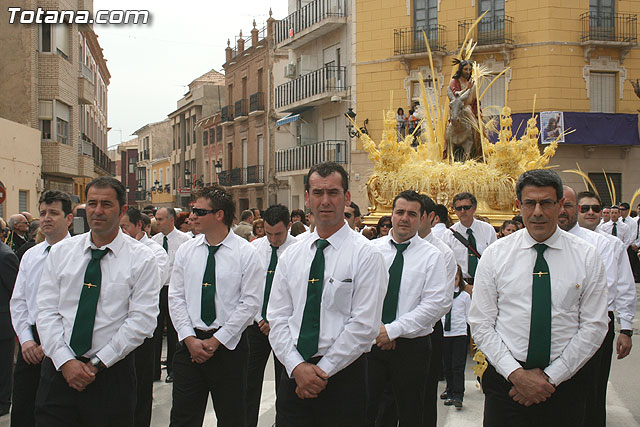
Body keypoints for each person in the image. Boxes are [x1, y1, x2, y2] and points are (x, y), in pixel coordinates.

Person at [469, 169, 608, 426]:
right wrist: (517, 375)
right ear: (519, 205)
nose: (538, 212)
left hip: (565, 384)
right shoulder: (495, 255)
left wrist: (552, 377)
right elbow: (481, 323)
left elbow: (595, 325)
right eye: (530, 203)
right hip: (506, 383)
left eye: (546, 203)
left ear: (560, 206)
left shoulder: (587, 256)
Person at [268, 162, 388, 427]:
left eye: (333, 193)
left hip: (343, 377)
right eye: (318, 193)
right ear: (308, 198)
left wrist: (321, 372)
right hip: (294, 373)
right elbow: (277, 317)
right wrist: (297, 368)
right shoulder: (292, 255)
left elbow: (364, 325)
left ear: (346, 198)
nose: (325, 201)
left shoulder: (366, 255)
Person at [36, 176, 160, 426]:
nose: (97, 211)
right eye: (92, 203)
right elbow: (46, 310)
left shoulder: (142, 259)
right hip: (59, 371)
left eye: (106, 204)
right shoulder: (62, 252)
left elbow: (142, 321)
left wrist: (95, 364)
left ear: (122, 210)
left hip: (110, 373)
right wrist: (66, 362)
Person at [168, 185, 264, 426]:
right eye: (192, 211)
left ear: (219, 215)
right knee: (183, 416)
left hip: (228, 349)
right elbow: (176, 296)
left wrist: (217, 340)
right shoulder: (186, 251)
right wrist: (189, 338)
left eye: (199, 212)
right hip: (190, 347)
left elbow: (249, 303)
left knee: (232, 416)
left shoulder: (246, 253)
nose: (192, 217)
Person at [367, 190, 449, 427]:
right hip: (371, 343)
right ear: (391, 215)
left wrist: (393, 330)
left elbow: (435, 304)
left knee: (413, 413)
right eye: (399, 212)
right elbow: (360, 296)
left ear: (422, 218)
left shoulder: (432, 256)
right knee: (369, 411)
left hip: (412, 348)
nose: (404, 218)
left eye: (412, 214)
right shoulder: (371, 250)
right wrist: (378, 330)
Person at [9, 191, 73, 426]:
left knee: (55, 412)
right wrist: (26, 340)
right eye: (43, 213)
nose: (46, 218)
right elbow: (19, 301)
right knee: (24, 409)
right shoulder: (30, 255)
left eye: (54, 213)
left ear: (68, 218)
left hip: (65, 342)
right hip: (32, 343)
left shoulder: (79, 255)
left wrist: (51, 344)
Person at [574, 190, 636, 426]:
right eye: (584, 208)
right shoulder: (560, 240)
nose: (591, 212)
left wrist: (626, 328)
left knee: (595, 384)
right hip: (567, 320)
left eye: (596, 209)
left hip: (600, 321)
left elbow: (623, 286)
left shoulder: (612, 245)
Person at [246, 204, 297, 427]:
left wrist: (275, 321)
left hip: (286, 327)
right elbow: (248, 288)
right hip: (256, 325)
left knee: (285, 384)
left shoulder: (300, 250)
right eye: (268, 234)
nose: (273, 239)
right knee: (248, 382)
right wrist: (260, 318)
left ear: (289, 226)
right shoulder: (254, 249)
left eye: (278, 234)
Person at [119, 207, 169, 427]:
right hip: (116, 329)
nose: (121, 232)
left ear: (139, 226)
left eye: (124, 227)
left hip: (140, 328)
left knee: (140, 386)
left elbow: (151, 285)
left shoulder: (154, 252)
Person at [416, 194, 457, 427]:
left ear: (431, 217)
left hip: (427, 330)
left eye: (415, 214)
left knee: (423, 395)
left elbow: (443, 301)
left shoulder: (443, 253)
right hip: (386, 333)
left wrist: (408, 325)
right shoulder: (384, 248)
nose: (408, 220)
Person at [152, 207, 190, 383]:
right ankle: (153, 369)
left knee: (175, 331)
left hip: (175, 290)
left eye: (160, 219)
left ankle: (174, 369)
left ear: (171, 220)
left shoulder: (184, 241)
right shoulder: (155, 241)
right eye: (156, 219)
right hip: (157, 290)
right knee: (155, 329)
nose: (157, 222)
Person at [441, 192, 497, 290]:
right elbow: (448, 265)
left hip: (485, 283)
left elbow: (495, 259)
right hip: (460, 285)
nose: (462, 211)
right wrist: (465, 286)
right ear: (454, 210)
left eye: (466, 207)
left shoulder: (488, 230)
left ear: (474, 208)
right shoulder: (448, 235)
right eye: (459, 208)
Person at [441, 265, 471, 409]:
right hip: (445, 335)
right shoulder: (441, 296)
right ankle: (449, 389)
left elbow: (469, 316)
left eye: (456, 279)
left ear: (460, 280)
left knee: (457, 366)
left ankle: (458, 395)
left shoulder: (464, 297)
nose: (453, 281)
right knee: (447, 365)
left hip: (459, 334)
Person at [0, 240, 19, 417]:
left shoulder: (5, 256)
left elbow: (16, 291)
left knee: (3, 367)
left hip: (3, 323)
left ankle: (3, 403)